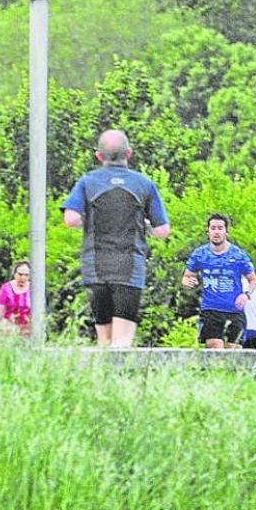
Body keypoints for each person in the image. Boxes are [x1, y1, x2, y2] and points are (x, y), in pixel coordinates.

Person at [61, 129, 170, 347]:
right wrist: (143, 226)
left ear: (98, 156)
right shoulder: (144, 184)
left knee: (104, 339)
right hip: (129, 267)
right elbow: (163, 230)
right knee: (122, 341)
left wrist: (94, 220)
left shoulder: (87, 182)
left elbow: (71, 219)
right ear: (129, 153)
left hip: (95, 268)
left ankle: (102, 380)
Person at [181, 214, 256, 349]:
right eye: (213, 228)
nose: (216, 232)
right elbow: (187, 276)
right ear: (208, 231)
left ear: (226, 231)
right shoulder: (200, 254)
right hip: (211, 309)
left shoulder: (238, 255)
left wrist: (246, 295)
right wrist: (187, 281)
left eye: (220, 228)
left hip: (234, 309)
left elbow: (253, 280)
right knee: (216, 350)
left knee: (233, 352)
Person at [0, 260, 31, 337]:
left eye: (26, 275)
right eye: (20, 274)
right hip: (8, 329)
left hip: (27, 331)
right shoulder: (6, 288)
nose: (23, 277)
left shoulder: (34, 289)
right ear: (15, 274)